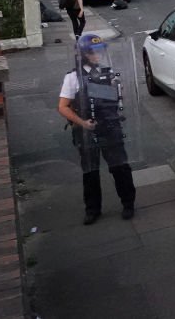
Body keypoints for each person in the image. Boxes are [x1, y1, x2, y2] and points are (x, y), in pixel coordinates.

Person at [57, 33, 136, 225]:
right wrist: (82, 123)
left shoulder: (109, 72)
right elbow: (63, 107)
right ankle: (92, 209)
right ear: (83, 55)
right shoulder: (73, 77)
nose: (97, 55)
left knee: (120, 167)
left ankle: (128, 203)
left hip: (110, 127)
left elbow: (119, 98)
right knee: (90, 171)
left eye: (100, 51)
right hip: (86, 131)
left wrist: (119, 90)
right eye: (93, 52)